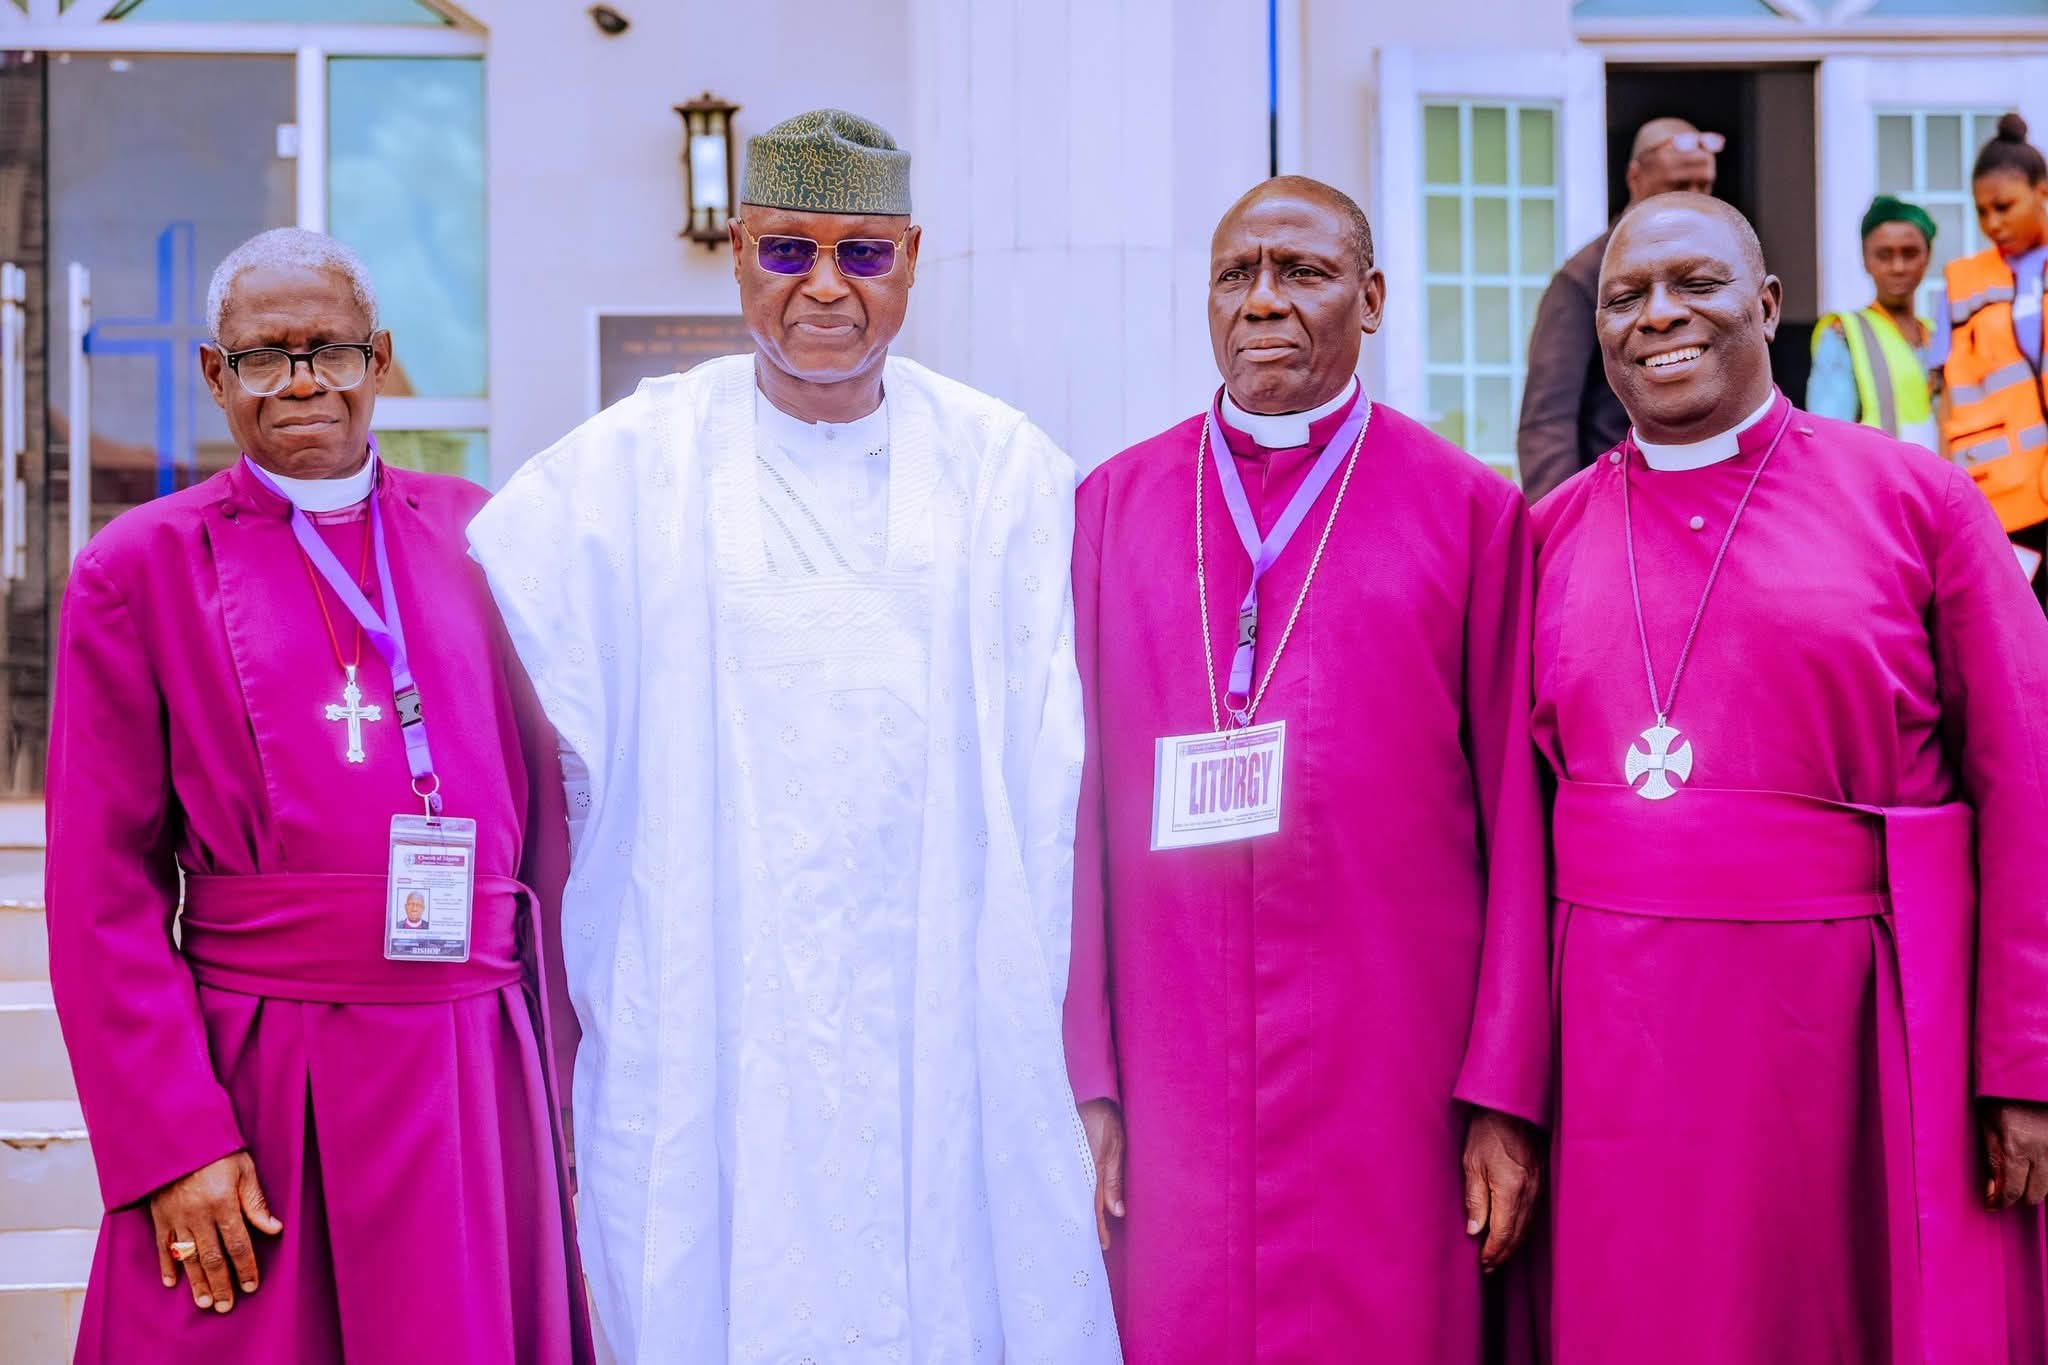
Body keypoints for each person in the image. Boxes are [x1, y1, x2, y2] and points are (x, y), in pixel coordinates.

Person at [468, 109, 1117, 1365]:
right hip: (713, 998)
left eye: (862, 254)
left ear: (913, 258)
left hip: (946, 1003)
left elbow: (1058, 773)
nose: (823, 288)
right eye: (787, 252)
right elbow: (509, 694)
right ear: (738, 255)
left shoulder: (1004, 472)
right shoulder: (622, 473)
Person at [45, 228, 590, 1362]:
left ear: (379, 359)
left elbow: (547, 814)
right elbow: (100, 895)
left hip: (466, 1059)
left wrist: (563, 1067)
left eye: (330, 350)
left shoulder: (481, 536)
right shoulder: (138, 567)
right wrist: (172, 1141)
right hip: (263, 1062)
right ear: (214, 374)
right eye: (263, 356)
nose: (300, 381)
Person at [1534, 191, 2048, 1363]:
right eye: (1625, 297)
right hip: (1620, 1057)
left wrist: (2023, 1056)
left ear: (1766, 307)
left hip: (1854, 1034)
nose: (1656, 316)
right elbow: (1509, 836)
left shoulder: (1915, 501)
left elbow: (2026, 776)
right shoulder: (1548, 534)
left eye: (1694, 285)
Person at [1065, 174, 1550, 1364]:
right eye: (1236, 276)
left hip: (1392, 1058)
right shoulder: (1111, 507)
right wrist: (1084, 1075)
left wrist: (1502, 1093)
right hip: (1171, 1060)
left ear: (1371, 298)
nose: (1263, 303)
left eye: (1303, 273)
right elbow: (1065, 815)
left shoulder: (1468, 512)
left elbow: (1516, 824)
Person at [1517, 117, 1721, 501]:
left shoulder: (1718, 268)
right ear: (1635, 177)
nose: (1694, 201)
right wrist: (1560, 528)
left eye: (1704, 186)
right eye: (1677, 187)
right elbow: (1547, 419)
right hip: (1613, 503)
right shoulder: (1585, 278)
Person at [1939, 112, 2048, 601]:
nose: (1992, 223)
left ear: (2042, 192)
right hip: (2005, 498)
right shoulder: (1962, 282)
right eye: (1982, 211)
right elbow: (1947, 395)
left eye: (2004, 206)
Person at [1808, 194, 1939, 451]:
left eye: (1910, 253)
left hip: (1936, 483)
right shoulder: (1843, 333)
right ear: (1865, 260)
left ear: (1928, 257)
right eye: (1884, 255)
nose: (1898, 267)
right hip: (1879, 485)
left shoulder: (1936, 335)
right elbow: (1829, 439)